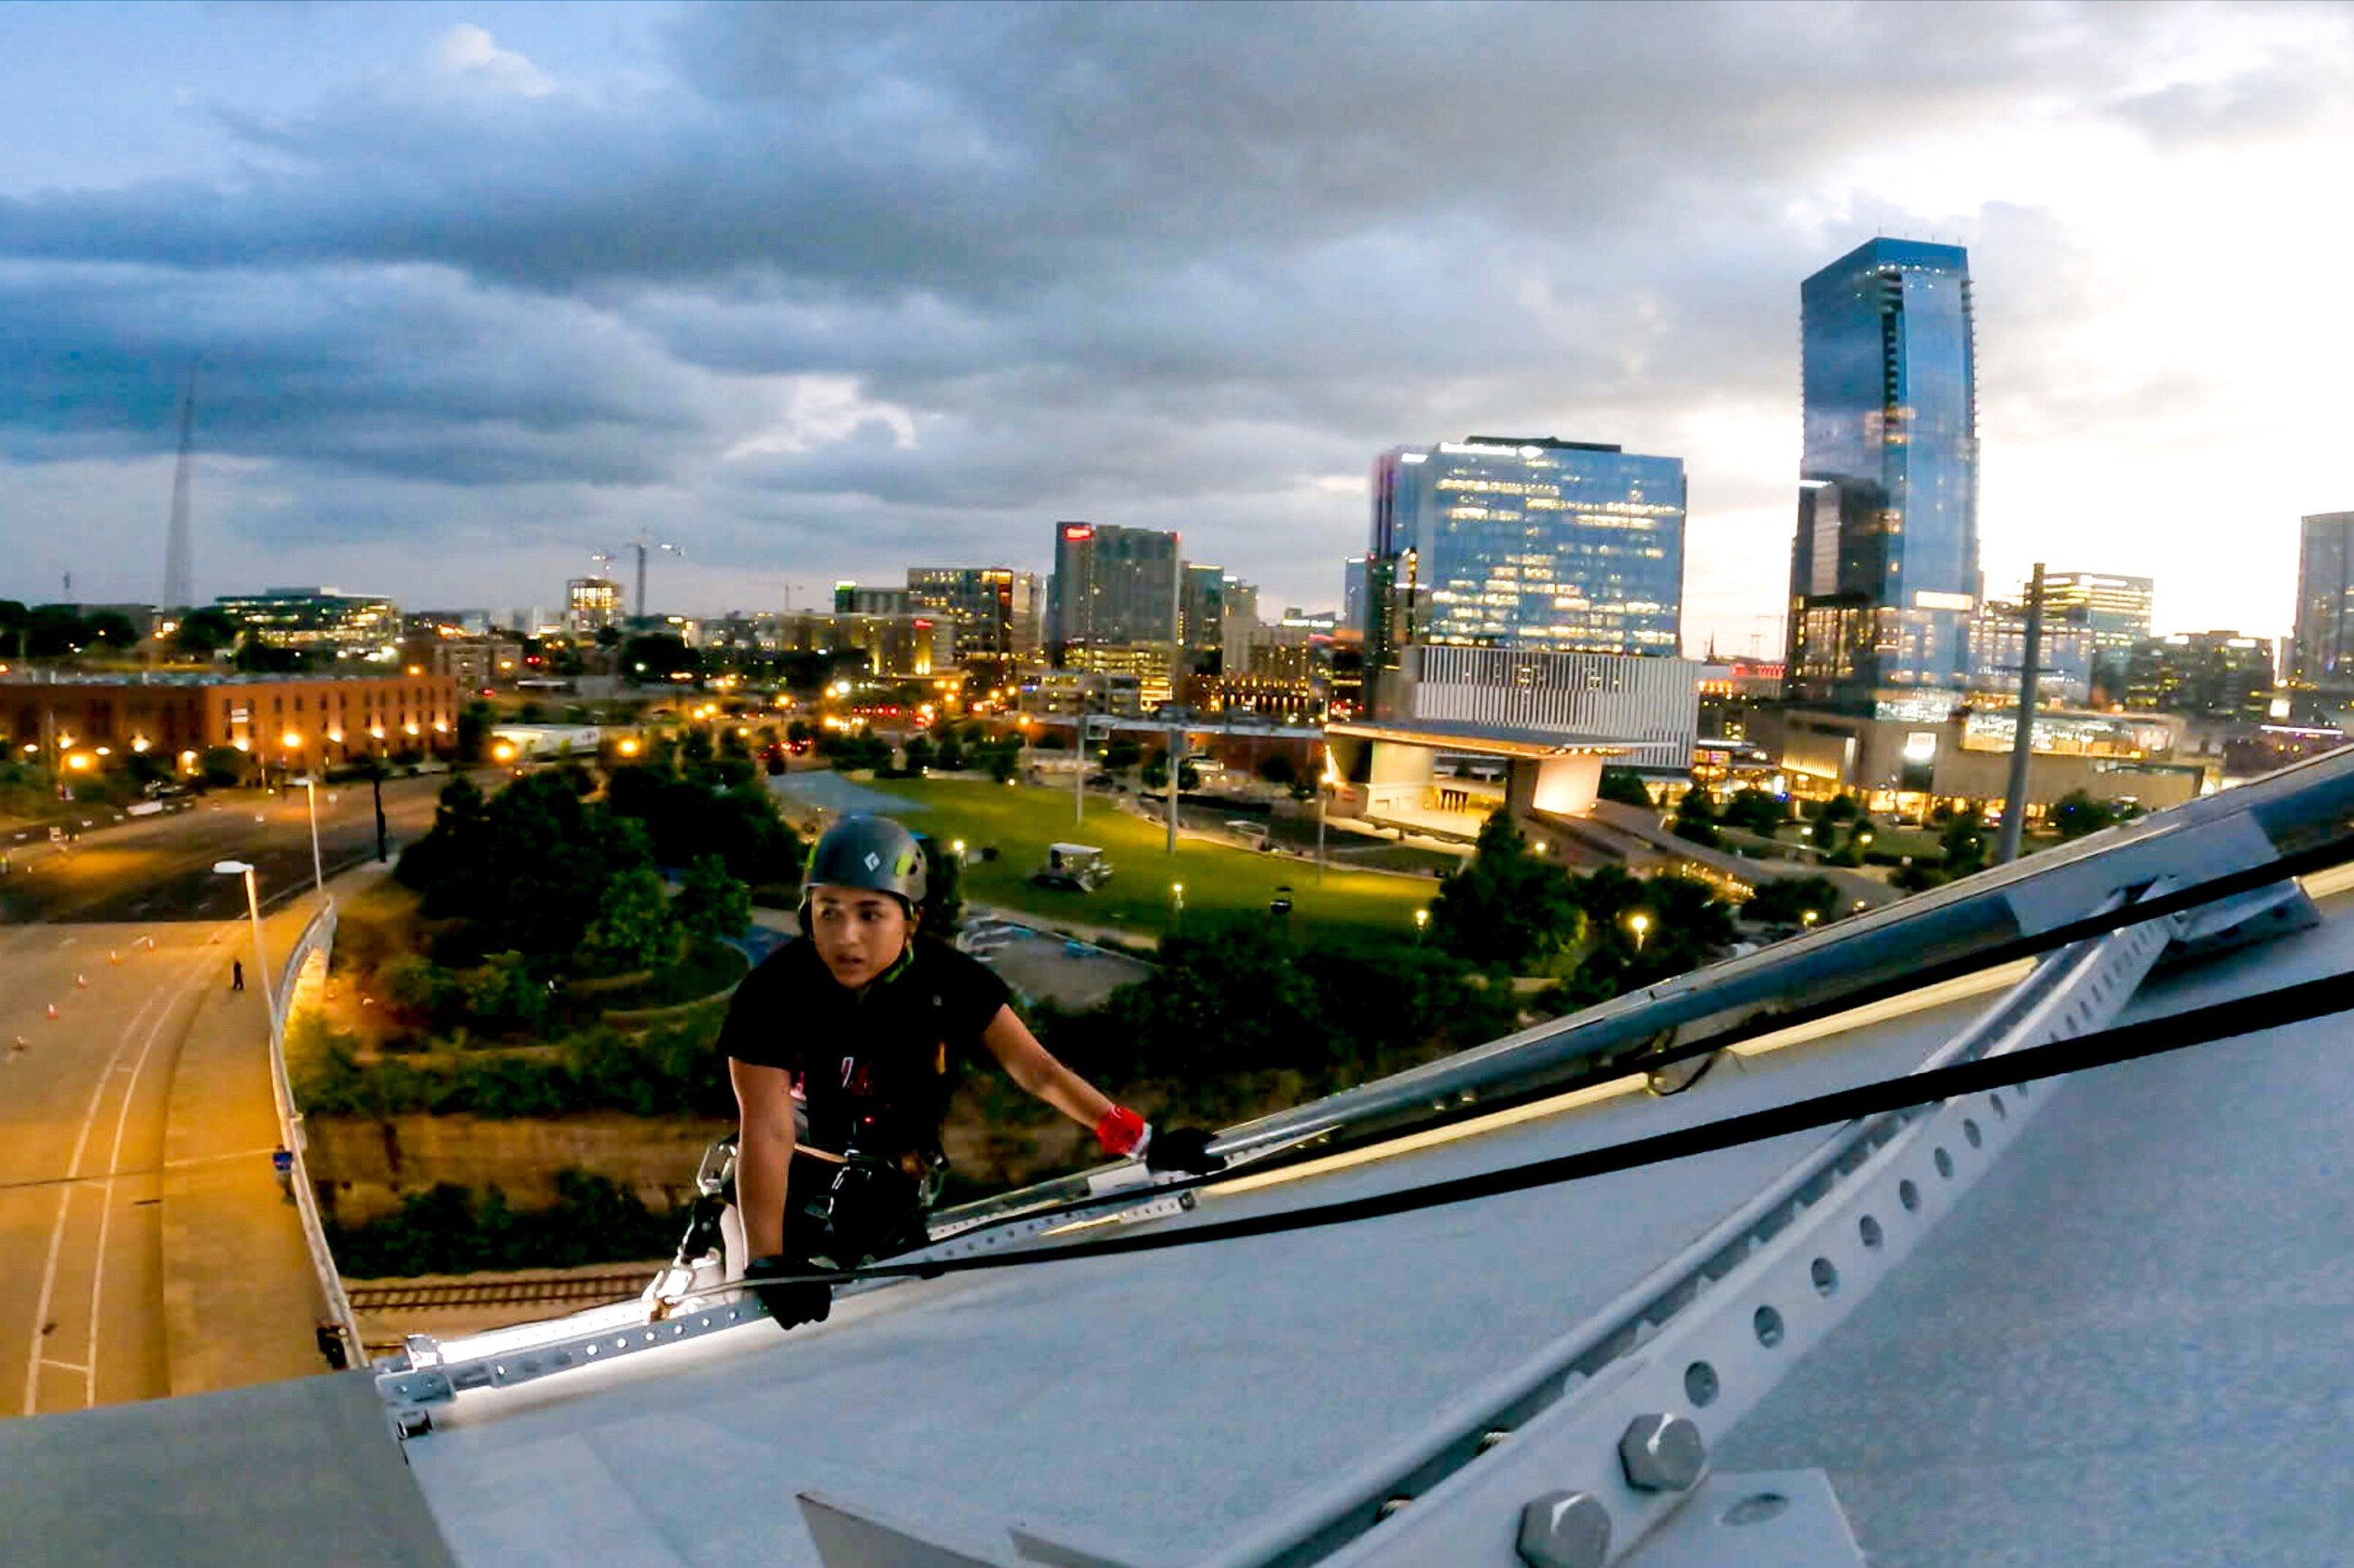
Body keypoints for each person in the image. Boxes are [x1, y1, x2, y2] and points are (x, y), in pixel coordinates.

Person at [719, 815, 1223, 1329]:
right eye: (829, 913)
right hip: (789, 1189)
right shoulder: (773, 994)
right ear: (808, 916)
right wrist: (767, 1261)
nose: (846, 937)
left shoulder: (948, 981)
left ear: (909, 919)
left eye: (870, 915)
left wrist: (1142, 1141)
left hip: (888, 1189)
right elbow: (767, 1130)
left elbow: (1039, 1071)